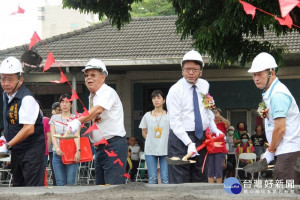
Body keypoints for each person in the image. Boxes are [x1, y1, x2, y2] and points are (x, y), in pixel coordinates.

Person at [66, 58, 127, 185]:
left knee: (112, 189)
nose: (89, 78)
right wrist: (77, 123)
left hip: (113, 145)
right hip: (99, 147)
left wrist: (78, 121)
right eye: (86, 75)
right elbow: (94, 118)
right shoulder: (93, 96)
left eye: (93, 75)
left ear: (103, 77)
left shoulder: (107, 92)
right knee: (100, 188)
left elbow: (98, 110)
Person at [166, 50, 224, 183]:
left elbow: (207, 109)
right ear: (182, 70)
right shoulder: (175, 90)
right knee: (180, 177)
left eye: (194, 69)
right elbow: (174, 122)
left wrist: (214, 128)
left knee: (201, 174)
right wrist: (189, 143)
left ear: (201, 71)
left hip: (201, 137)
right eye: (187, 69)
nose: (190, 73)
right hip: (180, 138)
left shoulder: (204, 85)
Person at [247, 52, 300, 184]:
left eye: (260, 74)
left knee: (284, 193)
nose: (256, 78)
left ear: (272, 73)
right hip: (285, 151)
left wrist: (269, 152)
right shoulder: (271, 92)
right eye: (254, 75)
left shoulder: (278, 94)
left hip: (288, 151)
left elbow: (280, 129)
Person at [0, 56, 45, 186]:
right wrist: (4, 138)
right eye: (3, 79)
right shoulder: (5, 96)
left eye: (10, 79)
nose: (6, 83)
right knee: (18, 187)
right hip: (17, 150)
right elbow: (11, 123)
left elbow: (28, 129)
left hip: (31, 151)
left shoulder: (27, 99)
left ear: (20, 80)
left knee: (32, 189)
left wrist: (8, 145)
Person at [49, 94, 81, 186]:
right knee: (60, 183)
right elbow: (53, 135)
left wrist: (78, 151)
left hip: (72, 153)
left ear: (71, 104)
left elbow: (77, 135)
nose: (64, 104)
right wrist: (57, 148)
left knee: (71, 182)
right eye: (62, 102)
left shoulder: (76, 118)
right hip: (57, 153)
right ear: (59, 104)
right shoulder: (54, 118)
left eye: (67, 102)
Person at [139, 90, 170, 184]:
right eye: (154, 98)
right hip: (150, 149)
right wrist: (150, 141)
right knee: (152, 178)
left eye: (158, 98)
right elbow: (144, 131)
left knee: (165, 178)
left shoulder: (169, 115)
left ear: (164, 100)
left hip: (165, 149)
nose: (156, 100)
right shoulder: (147, 115)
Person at [207, 108, 229, 184]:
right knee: (210, 169)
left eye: (216, 113)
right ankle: (210, 186)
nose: (215, 115)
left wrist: (220, 117)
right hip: (210, 149)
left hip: (220, 150)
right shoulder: (209, 124)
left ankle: (218, 186)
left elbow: (228, 124)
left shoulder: (222, 124)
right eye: (214, 113)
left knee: (218, 168)